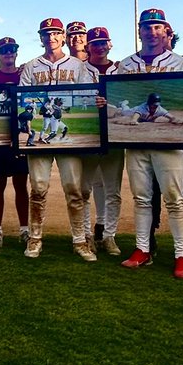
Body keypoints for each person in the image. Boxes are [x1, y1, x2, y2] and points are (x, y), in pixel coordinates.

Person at [117, 8, 183, 279]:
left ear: (166, 31)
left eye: (157, 27)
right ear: (139, 31)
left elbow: (178, 108)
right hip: (136, 145)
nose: (151, 31)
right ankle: (142, 250)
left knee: (175, 197)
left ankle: (182, 254)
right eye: (147, 26)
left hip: (167, 145)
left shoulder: (177, 62)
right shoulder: (125, 64)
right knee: (141, 198)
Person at [18, 17, 98, 261]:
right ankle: (35, 237)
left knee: (74, 189)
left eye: (55, 33)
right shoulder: (32, 66)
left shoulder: (77, 65)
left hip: (67, 134)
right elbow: (23, 98)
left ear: (63, 36)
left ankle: (80, 241)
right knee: (38, 188)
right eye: (46, 33)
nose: (50, 37)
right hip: (41, 131)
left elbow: (87, 96)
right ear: (40, 37)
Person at [81, 26, 124, 256]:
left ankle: (109, 236)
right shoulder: (80, 69)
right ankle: (87, 235)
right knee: (84, 189)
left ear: (110, 44)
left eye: (102, 42)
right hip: (89, 136)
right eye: (94, 43)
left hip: (114, 136)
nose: (99, 47)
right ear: (88, 47)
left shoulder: (121, 69)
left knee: (113, 189)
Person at [0, 36, 28, 246]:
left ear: (16, 52)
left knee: (22, 185)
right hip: (0, 138)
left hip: (20, 136)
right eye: (4, 50)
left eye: (12, 49)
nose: (9, 53)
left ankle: (24, 229)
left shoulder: (25, 75)